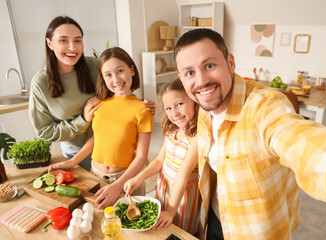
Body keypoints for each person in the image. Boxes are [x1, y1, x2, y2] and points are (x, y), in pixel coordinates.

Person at [174, 28, 326, 239]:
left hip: (258, 230)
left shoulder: (263, 105)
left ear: (230, 63)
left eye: (209, 65)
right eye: (190, 73)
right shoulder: (203, 106)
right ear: (182, 78)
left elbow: (297, 138)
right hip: (216, 217)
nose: (201, 81)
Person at [29, 16, 154, 171]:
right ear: (50, 43)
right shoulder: (40, 84)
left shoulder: (94, 66)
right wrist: (82, 120)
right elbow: (44, 131)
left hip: (114, 145)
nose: (72, 47)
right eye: (63, 40)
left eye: (77, 40)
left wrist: (143, 106)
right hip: (77, 152)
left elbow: (119, 95)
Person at [48, 47, 154, 209]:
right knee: (102, 223)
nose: (116, 79)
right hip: (95, 173)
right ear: (103, 79)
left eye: (120, 71)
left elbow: (141, 157)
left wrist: (118, 184)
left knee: (130, 225)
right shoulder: (99, 104)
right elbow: (97, 138)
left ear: (132, 70)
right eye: (108, 75)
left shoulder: (142, 109)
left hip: (126, 180)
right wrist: (73, 161)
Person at [124, 79, 201, 235]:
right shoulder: (172, 130)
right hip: (164, 187)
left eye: (180, 104)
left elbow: (182, 174)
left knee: (179, 231)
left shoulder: (197, 137)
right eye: (168, 108)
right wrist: (139, 177)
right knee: (160, 227)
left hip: (183, 196)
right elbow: (159, 160)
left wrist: (172, 211)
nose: (175, 113)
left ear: (194, 102)